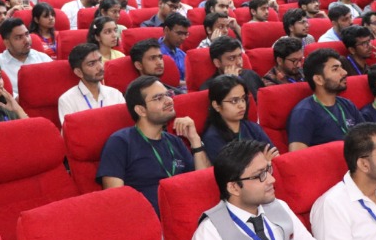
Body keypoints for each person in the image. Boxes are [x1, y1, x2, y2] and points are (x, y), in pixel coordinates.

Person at [190, 140, 332, 240]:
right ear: (234, 187)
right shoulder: (210, 232)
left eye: (268, 170)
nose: (271, 180)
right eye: (260, 175)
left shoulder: (280, 206)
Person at [96, 76, 210, 216]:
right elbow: (115, 199)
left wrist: (195, 141)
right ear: (141, 110)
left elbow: (204, 184)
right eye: (158, 98)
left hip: (189, 213)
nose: (168, 100)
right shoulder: (120, 142)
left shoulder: (175, 141)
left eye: (168, 94)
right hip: (149, 220)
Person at [287, 49, 365, 151]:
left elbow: (367, 136)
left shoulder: (347, 104)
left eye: (341, 67)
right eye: (335, 69)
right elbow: (297, 155)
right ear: (319, 79)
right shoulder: (304, 112)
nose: (345, 72)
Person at [201, 75, 278, 162]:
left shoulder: (253, 128)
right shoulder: (212, 137)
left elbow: (274, 156)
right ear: (216, 106)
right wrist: (263, 161)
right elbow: (230, 169)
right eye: (234, 101)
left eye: (243, 99)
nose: (241, 105)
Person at [57, 43, 125, 124]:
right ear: (79, 72)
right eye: (92, 64)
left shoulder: (115, 94)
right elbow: (71, 130)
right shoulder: (67, 100)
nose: (100, 67)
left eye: (100, 60)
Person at [0, 17, 52, 96]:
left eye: (27, 34)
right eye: (19, 37)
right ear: (7, 43)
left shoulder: (42, 58)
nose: (26, 40)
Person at [199, 36, 265, 100]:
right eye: (232, 58)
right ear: (217, 63)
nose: (239, 62)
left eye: (240, 56)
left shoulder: (250, 75)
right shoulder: (209, 88)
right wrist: (232, 81)